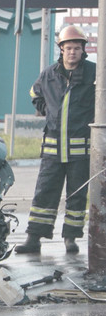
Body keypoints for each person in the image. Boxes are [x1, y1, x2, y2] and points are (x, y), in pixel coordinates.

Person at [15, 25, 96, 255]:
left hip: (80, 151)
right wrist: (46, 110)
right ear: (61, 49)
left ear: (83, 50)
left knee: (76, 195)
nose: (72, 52)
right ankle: (33, 239)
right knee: (44, 193)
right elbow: (34, 93)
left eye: (76, 48)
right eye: (68, 48)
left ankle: (71, 238)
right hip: (52, 149)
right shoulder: (49, 74)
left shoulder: (94, 74)